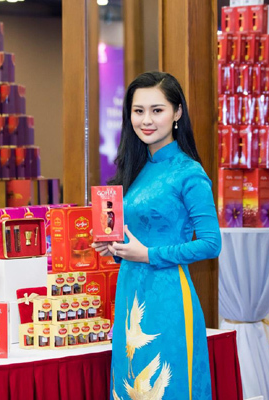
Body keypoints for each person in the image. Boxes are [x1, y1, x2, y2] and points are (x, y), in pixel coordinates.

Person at [92, 71, 221, 400]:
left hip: (169, 296)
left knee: (165, 387)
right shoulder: (134, 169)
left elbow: (211, 244)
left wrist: (148, 255)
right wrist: (115, 247)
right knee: (129, 386)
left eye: (157, 110)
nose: (146, 120)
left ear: (177, 113)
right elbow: (137, 236)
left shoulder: (189, 172)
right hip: (130, 292)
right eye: (138, 111)